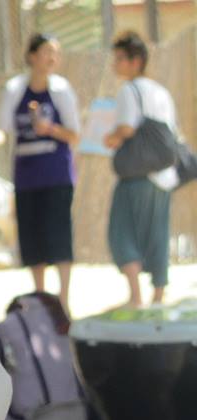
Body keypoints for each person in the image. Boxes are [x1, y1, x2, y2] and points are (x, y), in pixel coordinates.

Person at [0, 33, 80, 311]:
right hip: (27, 176)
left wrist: (49, 129)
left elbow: (74, 134)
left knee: (59, 235)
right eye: (47, 52)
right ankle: (41, 298)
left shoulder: (61, 90)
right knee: (32, 236)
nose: (52, 58)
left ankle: (64, 300)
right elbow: (3, 130)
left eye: (56, 53)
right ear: (32, 56)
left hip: (56, 175)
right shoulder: (15, 89)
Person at [104, 30, 178, 308]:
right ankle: (158, 296)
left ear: (135, 61)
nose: (115, 64)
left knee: (121, 232)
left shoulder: (129, 90)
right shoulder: (161, 91)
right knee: (158, 234)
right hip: (163, 177)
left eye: (120, 59)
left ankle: (135, 296)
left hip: (136, 177)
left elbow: (126, 127)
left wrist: (109, 137)